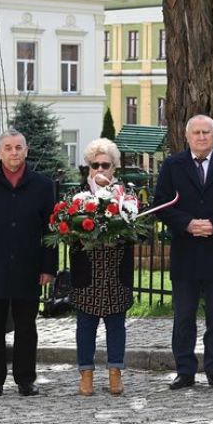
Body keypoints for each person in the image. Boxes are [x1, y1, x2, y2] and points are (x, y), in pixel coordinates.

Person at [153, 115, 213, 390]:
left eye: (206, 132)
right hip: (186, 253)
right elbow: (161, 203)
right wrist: (186, 223)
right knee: (184, 316)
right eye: (196, 132)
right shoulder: (173, 166)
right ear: (187, 136)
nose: (201, 137)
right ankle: (185, 370)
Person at [0, 130, 56, 399]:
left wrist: (48, 267)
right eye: (8, 148)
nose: (14, 152)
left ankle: (26, 379)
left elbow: (50, 230)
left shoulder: (42, 185)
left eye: (18, 147)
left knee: (27, 327)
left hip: (29, 268)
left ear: (26, 151)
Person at [69, 138, 133, 397]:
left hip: (116, 272)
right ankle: (86, 375)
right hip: (87, 273)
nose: (99, 169)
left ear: (114, 167)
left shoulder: (125, 196)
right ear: (88, 168)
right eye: (94, 164)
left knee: (116, 325)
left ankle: (115, 374)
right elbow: (67, 230)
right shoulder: (76, 196)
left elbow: (135, 230)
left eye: (105, 164)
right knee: (86, 326)